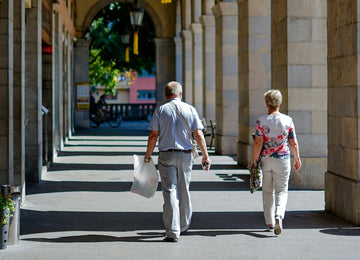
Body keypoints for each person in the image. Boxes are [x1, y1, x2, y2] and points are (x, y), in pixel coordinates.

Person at [145, 81, 211, 242]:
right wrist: (205, 156)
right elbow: (199, 134)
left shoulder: (160, 110)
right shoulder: (190, 109)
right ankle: (184, 225)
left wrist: (147, 156)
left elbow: (153, 135)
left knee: (170, 191)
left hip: (166, 155)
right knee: (184, 189)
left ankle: (172, 230)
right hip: (186, 155)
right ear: (180, 94)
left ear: (166, 95)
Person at [252, 89, 301, 236]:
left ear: (267, 103)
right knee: (282, 190)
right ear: (279, 103)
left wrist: (255, 160)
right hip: (283, 159)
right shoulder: (287, 120)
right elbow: (293, 142)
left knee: (267, 190)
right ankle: (279, 215)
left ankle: (270, 223)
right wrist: (297, 158)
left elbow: (258, 143)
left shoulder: (261, 120)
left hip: (266, 159)